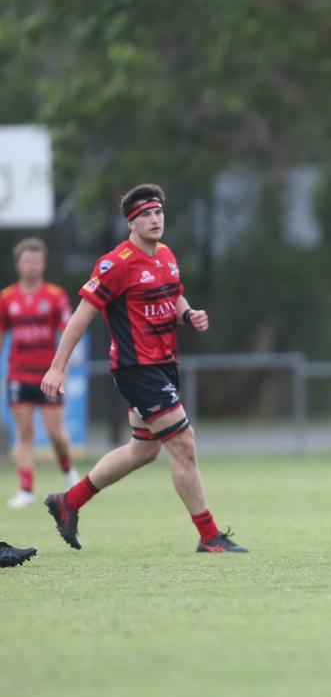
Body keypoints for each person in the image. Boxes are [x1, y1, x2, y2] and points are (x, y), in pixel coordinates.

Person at [39, 184, 247, 554]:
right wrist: (58, 367)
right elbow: (81, 317)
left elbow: (173, 294)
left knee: (144, 450)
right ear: (131, 223)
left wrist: (187, 314)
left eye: (158, 212)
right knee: (183, 444)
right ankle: (209, 535)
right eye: (145, 215)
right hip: (137, 369)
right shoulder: (115, 263)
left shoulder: (166, 254)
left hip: (165, 365)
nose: (155, 219)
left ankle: (68, 502)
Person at [1, 238, 78, 508]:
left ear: (42, 264)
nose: (32, 266)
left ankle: (70, 473)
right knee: (24, 433)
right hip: (18, 374)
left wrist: (64, 366)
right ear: (18, 264)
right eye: (27, 261)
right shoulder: (7, 298)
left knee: (55, 433)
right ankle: (26, 490)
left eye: (36, 261)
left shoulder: (55, 296)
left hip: (48, 375)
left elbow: (68, 330)